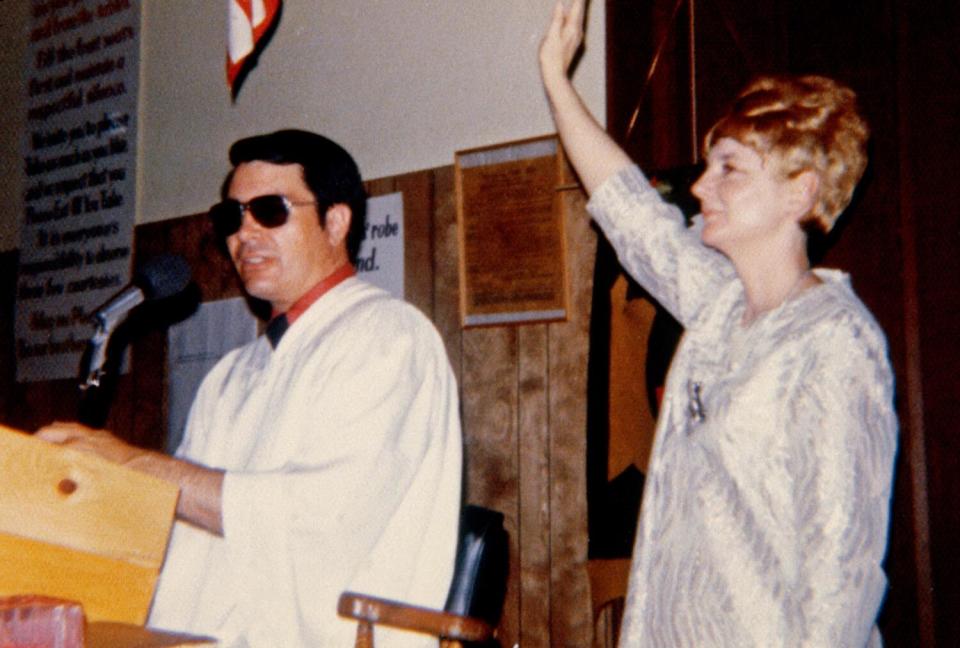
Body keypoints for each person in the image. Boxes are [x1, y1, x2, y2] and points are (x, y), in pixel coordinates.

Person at [540, 2, 897, 646]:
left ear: (801, 193)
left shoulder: (836, 341)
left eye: (729, 168)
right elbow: (632, 215)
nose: (701, 187)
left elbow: (839, 576)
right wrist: (557, 84)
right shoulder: (718, 306)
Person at [37, 129, 463, 647]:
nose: (245, 233)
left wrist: (133, 464)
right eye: (231, 217)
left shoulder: (388, 337)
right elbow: (182, 530)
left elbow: (320, 520)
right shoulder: (232, 374)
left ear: (336, 221)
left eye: (270, 210)